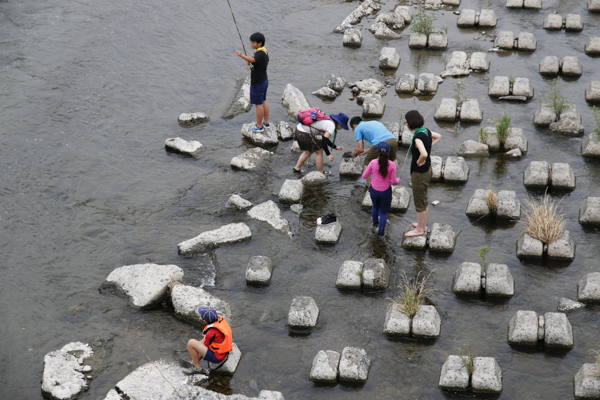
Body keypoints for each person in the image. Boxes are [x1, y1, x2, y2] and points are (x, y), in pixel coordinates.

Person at [403, 110, 442, 237]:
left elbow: (424, 153)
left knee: (419, 202)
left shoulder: (418, 137)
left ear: (411, 123)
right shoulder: (425, 130)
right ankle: (422, 225)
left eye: (406, 122)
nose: (406, 124)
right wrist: (428, 149)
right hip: (427, 170)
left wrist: (420, 160)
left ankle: (419, 230)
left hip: (420, 173)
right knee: (424, 199)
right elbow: (438, 136)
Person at [362, 141, 402, 237]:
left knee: (375, 207)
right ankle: (381, 232)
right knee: (383, 212)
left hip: (374, 191)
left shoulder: (372, 162)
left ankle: (374, 225)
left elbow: (364, 176)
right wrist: (398, 180)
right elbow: (393, 181)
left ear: (377, 152)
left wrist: (372, 171)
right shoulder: (392, 164)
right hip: (385, 192)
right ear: (389, 152)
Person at [183, 306, 233, 375]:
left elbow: (205, 343)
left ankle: (197, 368)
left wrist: (195, 345)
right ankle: (194, 361)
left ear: (205, 321)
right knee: (198, 343)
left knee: (191, 343)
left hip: (217, 357)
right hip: (223, 353)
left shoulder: (211, 332)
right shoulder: (221, 321)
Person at [349, 117, 398, 186]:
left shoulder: (358, 128)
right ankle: (393, 181)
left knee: (367, 162)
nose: (354, 130)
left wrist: (354, 153)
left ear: (354, 125)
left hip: (381, 143)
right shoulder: (374, 122)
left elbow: (360, 149)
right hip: (393, 140)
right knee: (393, 158)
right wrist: (366, 151)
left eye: (353, 129)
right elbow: (379, 140)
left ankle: (368, 183)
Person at [236, 32, 269, 132]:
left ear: (259, 43)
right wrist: (251, 61)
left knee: (258, 105)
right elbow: (264, 62)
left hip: (258, 82)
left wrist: (241, 55)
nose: (251, 44)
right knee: (264, 101)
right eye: (251, 42)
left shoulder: (259, 54)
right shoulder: (264, 51)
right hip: (264, 80)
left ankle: (259, 126)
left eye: (253, 42)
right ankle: (266, 123)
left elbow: (254, 60)